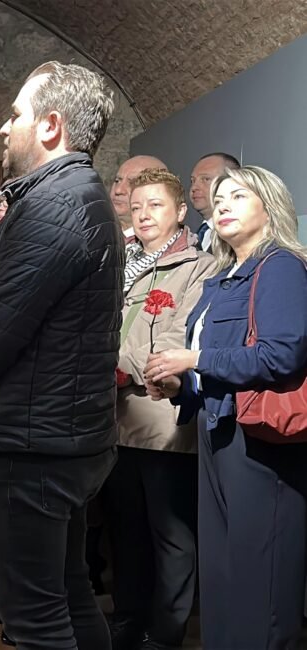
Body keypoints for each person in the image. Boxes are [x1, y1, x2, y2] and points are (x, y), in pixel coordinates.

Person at [0, 61, 121, 649]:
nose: (4, 126)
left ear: (51, 125)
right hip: (51, 434)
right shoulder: (69, 196)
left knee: (35, 621)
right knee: (68, 595)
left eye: (16, 114)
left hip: (30, 443)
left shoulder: (56, 205)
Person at [145, 165, 307, 650]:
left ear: (269, 207)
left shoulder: (280, 266)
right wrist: (179, 384)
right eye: (218, 201)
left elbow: (281, 355)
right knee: (221, 576)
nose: (222, 206)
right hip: (216, 431)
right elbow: (211, 369)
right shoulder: (221, 278)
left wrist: (194, 359)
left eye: (237, 196)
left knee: (260, 581)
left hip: (259, 440)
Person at [104, 168, 216, 650]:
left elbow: (175, 342)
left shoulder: (199, 266)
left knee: (171, 536)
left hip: (162, 420)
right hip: (113, 419)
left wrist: (108, 360)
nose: (143, 214)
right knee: (124, 530)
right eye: (136, 206)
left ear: (180, 211)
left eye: (155, 205)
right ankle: (128, 618)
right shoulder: (122, 262)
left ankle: (166, 634)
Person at [188, 152, 240, 253]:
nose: (194, 187)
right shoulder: (195, 235)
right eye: (192, 181)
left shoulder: (238, 236)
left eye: (206, 179)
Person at [110, 155, 167, 240]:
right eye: (117, 181)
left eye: (132, 183)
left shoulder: (165, 243)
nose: (118, 190)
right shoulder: (95, 232)